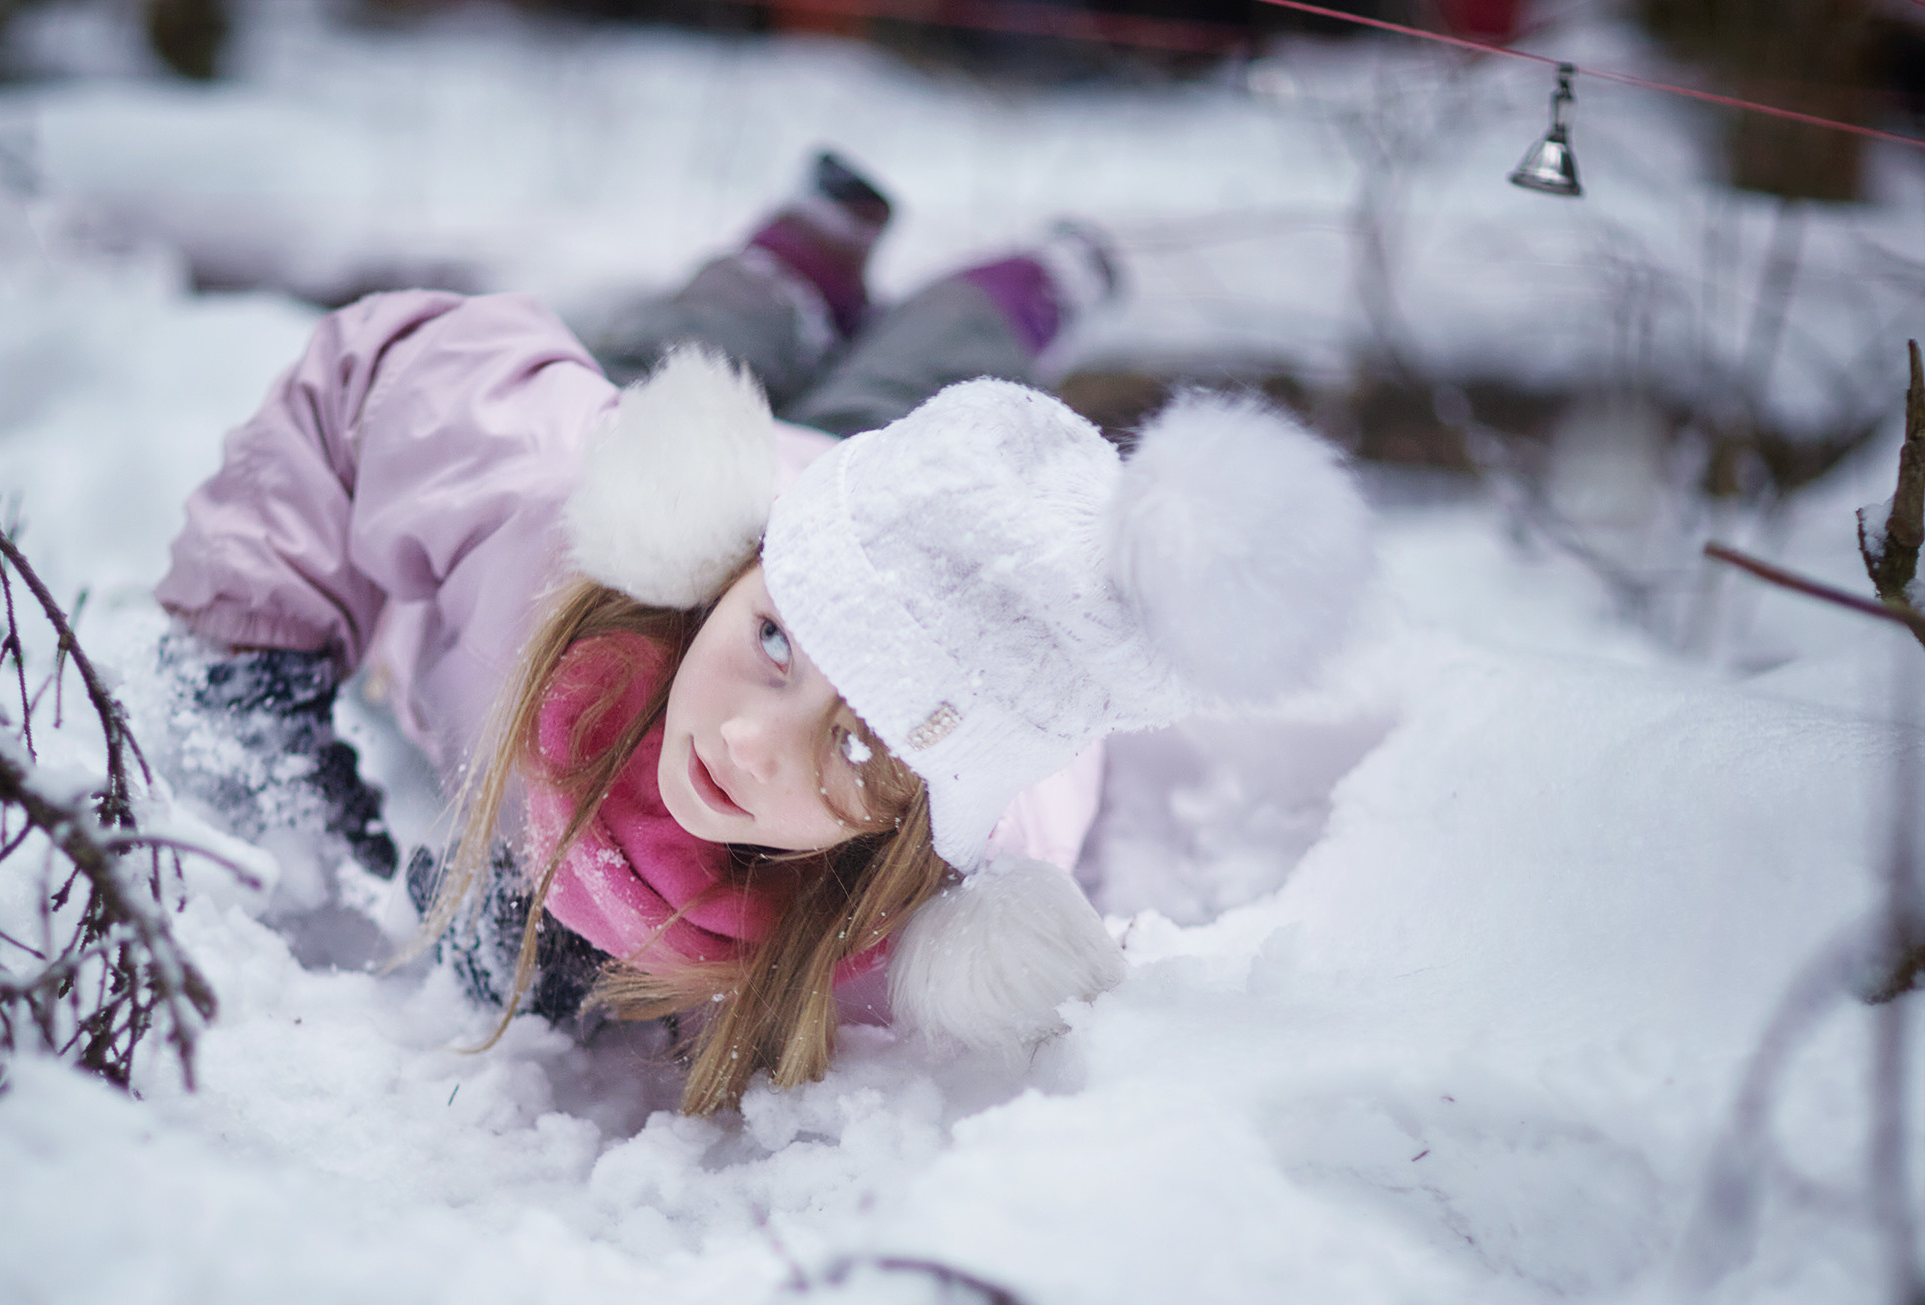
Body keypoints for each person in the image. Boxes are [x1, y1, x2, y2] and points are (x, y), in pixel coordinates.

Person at [153, 153, 1372, 1115]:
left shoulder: (939, 885)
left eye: (855, 749)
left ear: (920, 832)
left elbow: (1033, 786)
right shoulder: (559, 515)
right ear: (743, 578)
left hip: (875, 543)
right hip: (801, 492)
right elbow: (378, 378)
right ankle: (804, 248)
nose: (745, 735)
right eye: (776, 647)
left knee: (940, 351)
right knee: (714, 338)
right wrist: (249, 657)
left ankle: (1040, 277)